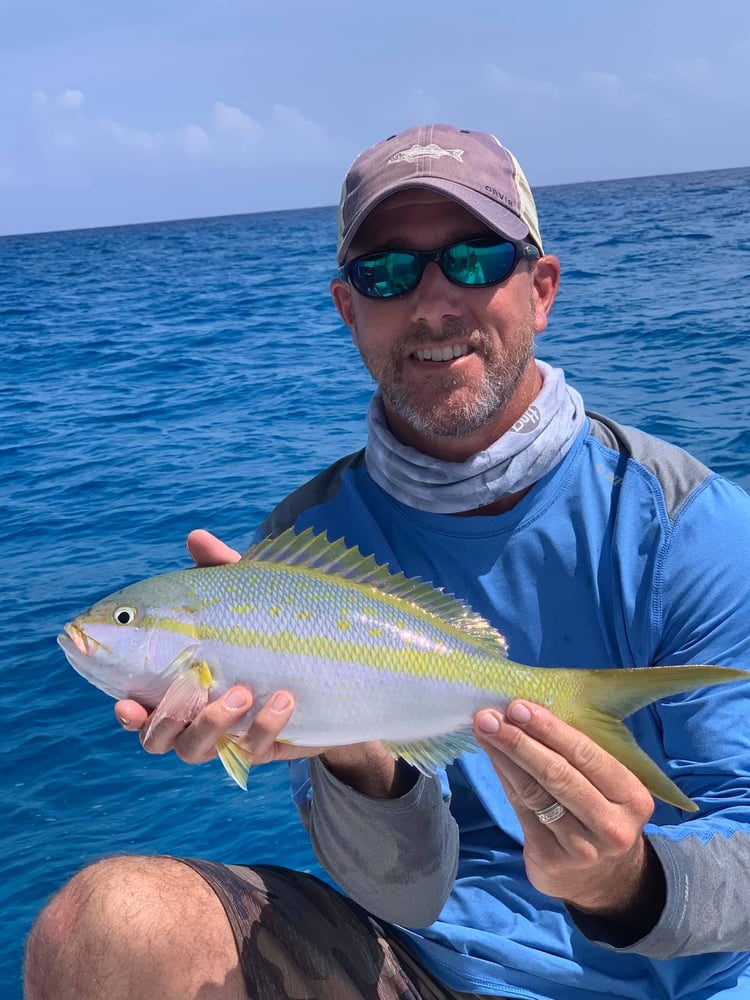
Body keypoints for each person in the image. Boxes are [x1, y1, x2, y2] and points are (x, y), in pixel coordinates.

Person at [24, 124, 750, 1000]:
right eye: (388, 272)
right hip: (424, 968)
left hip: (690, 979)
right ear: (348, 307)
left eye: (474, 259)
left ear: (543, 289)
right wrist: (355, 757)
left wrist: (622, 883)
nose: (433, 303)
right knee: (105, 927)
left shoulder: (687, 522)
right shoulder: (302, 539)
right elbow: (404, 892)